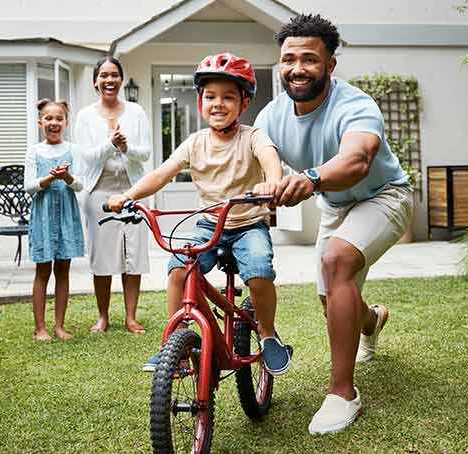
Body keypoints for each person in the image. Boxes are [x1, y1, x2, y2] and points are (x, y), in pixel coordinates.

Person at [257, 14, 415, 434]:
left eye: (310, 59)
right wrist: (271, 181)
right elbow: (263, 151)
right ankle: (372, 319)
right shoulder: (274, 113)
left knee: (336, 260)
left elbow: (357, 161)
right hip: (336, 205)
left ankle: (343, 394)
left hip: (384, 196)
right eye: (289, 59)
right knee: (331, 303)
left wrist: (308, 178)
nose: (297, 68)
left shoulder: (355, 105)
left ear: (331, 64)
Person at [106, 53, 293, 375]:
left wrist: (272, 183)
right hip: (211, 223)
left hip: (248, 224)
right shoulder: (195, 143)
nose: (218, 104)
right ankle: (175, 343)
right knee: (179, 267)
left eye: (228, 97)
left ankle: (267, 332)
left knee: (259, 268)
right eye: (210, 97)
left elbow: (269, 156)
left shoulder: (253, 136)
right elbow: (162, 173)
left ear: (244, 103)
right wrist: (128, 195)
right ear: (199, 101)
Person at [74, 56, 152, 335]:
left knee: (133, 255)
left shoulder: (136, 111)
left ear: (121, 79)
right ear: (96, 81)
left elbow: (145, 153)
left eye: (114, 75)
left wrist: (126, 147)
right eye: (104, 75)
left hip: (133, 191)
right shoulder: (85, 116)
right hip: (99, 193)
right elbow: (85, 156)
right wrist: (110, 145)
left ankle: (131, 317)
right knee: (102, 257)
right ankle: (103, 317)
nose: (109, 80)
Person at [25, 99, 85, 341]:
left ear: (66, 122)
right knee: (42, 271)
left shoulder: (73, 150)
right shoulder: (34, 151)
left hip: (66, 217)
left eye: (59, 118)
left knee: (63, 270)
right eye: (48, 118)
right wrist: (47, 180)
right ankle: (40, 328)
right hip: (43, 216)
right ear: (40, 122)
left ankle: (59, 326)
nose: (54, 122)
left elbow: (81, 185)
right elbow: (28, 187)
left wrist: (67, 176)